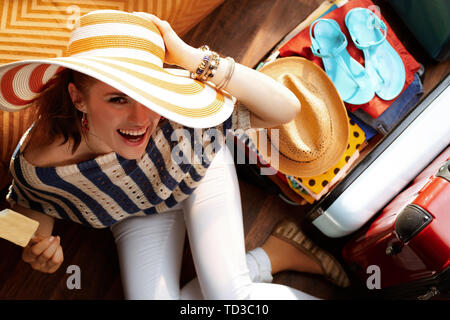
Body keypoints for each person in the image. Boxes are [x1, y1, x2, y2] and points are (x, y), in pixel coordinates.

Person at [1, 10, 349, 299]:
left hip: (197, 171)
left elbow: (285, 109)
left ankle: (263, 262)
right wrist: (34, 248)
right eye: (118, 99)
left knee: (231, 296)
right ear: (78, 98)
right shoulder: (35, 163)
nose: (141, 120)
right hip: (137, 211)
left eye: (149, 96)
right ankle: (269, 257)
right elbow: (22, 207)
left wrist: (187, 56)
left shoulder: (179, 115)